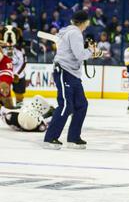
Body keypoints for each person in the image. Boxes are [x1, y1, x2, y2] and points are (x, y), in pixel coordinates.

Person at [43, 10, 103, 150]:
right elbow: (80, 55)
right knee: (65, 105)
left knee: (81, 104)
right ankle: (50, 138)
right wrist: (92, 52)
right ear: (86, 22)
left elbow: (74, 51)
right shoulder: (75, 33)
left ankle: (73, 138)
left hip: (72, 73)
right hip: (65, 72)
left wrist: (88, 49)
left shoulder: (68, 31)